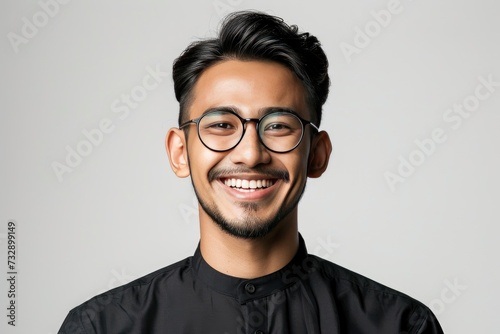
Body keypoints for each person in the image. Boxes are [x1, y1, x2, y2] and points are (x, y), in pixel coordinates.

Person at [58, 11, 444, 334]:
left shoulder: (400, 326)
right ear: (180, 152)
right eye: (221, 124)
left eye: (278, 125)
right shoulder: (103, 327)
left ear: (317, 155)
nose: (250, 153)